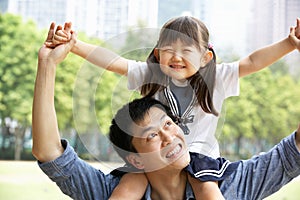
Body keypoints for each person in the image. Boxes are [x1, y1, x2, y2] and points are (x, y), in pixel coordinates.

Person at [32, 25, 300, 198]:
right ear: (158, 54)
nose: (177, 57)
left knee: (208, 190)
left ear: (206, 56)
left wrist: (290, 43)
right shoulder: (151, 75)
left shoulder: (217, 77)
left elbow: (252, 61)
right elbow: (114, 62)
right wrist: (75, 46)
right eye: (169, 51)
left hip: (204, 160)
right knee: (128, 188)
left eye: (169, 123)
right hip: (144, 171)